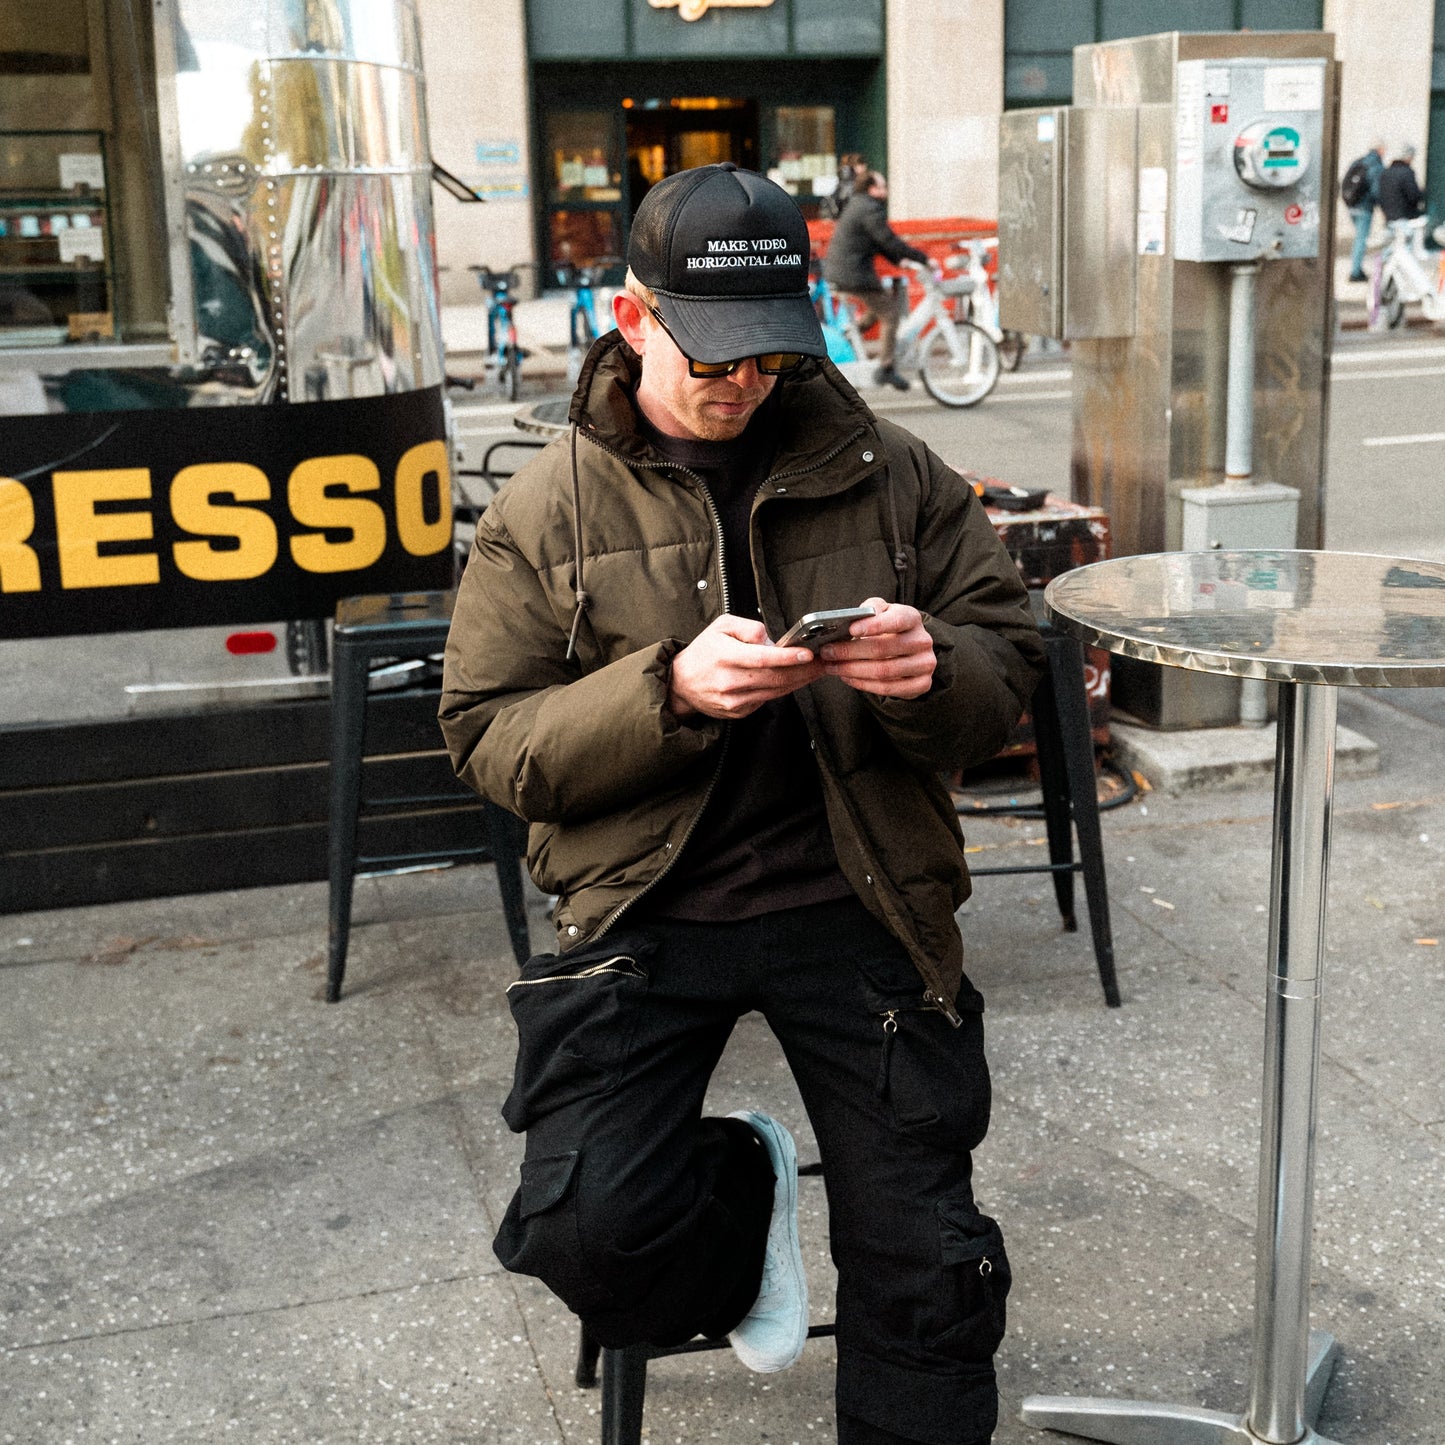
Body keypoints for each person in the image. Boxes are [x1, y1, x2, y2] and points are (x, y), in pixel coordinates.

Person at [440, 161, 1045, 1445]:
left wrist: (930, 672)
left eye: (766, 355)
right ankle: (740, 1183)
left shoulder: (892, 469)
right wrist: (664, 692)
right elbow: (489, 740)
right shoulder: (542, 509)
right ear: (627, 316)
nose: (739, 384)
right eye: (709, 355)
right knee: (585, 1226)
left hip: (859, 894)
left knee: (928, 1265)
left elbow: (1007, 662)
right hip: (646, 910)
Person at [822, 170, 938, 391]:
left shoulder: (859, 205)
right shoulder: (870, 208)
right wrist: (923, 259)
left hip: (844, 272)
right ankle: (886, 367)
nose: (885, 191)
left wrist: (899, 259)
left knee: (876, 310)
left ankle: (848, 336)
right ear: (871, 189)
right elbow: (888, 240)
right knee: (890, 312)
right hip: (852, 274)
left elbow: (877, 242)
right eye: (882, 187)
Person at [1342, 139, 1385, 282]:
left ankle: (1357, 268)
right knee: (1361, 239)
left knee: (1358, 239)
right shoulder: (1376, 166)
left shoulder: (1359, 162)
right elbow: (1376, 190)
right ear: (1380, 150)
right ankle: (1355, 271)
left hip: (1351, 205)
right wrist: (1382, 205)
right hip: (1364, 207)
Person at [1377, 142, 1426, 237]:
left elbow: (1379, 194)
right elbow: (1413, 196)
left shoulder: (1386, 173)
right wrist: (1422, 194)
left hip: (1388, 216)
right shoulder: (1407, 173)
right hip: (1404, 216)